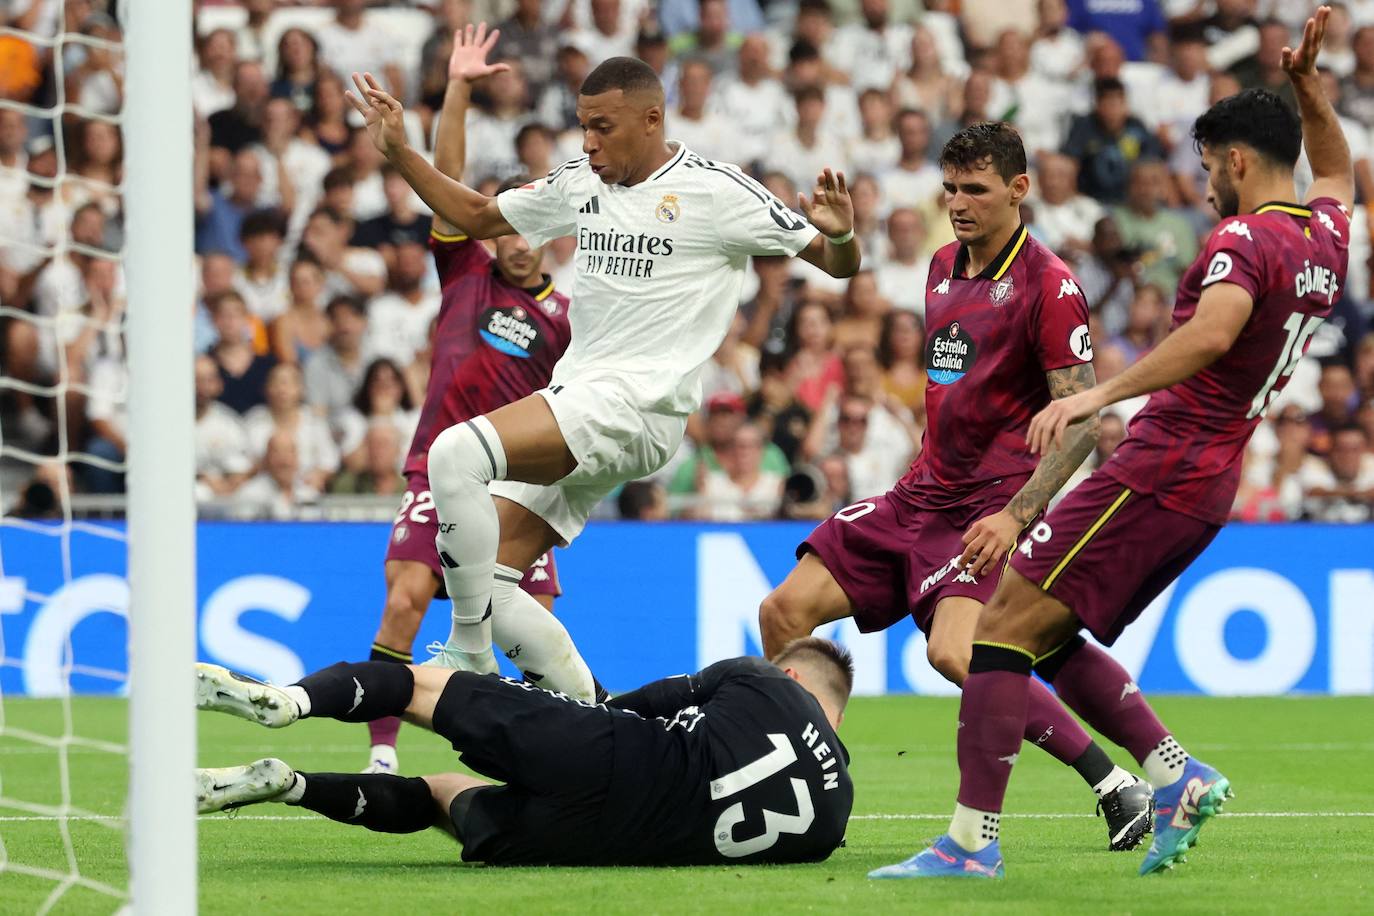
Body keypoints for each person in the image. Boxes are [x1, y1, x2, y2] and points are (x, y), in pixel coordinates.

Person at [873, 8, 1352, 881]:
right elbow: (1343, 167)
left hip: (1161, 466)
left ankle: (971, 843)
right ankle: (1175, 774)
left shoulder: (1242, 240)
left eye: (1210, 168)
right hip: (1207, 477)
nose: (1206, 185)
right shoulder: (1326, 237)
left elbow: (1211, 333)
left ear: (1237, 163)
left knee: (998, 631)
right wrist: (1312, 89)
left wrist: (1100, 393)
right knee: (1041, 627)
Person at [344, 41, 859, 700]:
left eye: (603, 127)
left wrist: (841, 235)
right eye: (583, 125)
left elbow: (836, 263)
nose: (587, 141)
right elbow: (473, 215)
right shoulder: (582, 183)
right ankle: (601, 728)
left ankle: (468, 651)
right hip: (583, 398)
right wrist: (399, 152)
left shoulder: (716, 191)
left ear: (652, 120)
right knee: (490, 580)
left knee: (453, 455)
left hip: (637, 404)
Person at [759, 121, 1154, 853]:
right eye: (950, 188)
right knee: (783, 613)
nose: (959, 202)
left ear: (1018, 189)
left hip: (987, 507)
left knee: (955, 652)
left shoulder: (1052, 285)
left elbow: (1079, 422)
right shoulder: (941, 264)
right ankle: (812, 781)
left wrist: (1015, 514)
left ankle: (1113, 783)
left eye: (975, 189)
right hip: (918, 494)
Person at [358, 25, 581, 777]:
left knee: (536, 631)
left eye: (529, 226)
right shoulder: (465, 272)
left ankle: (533, 763)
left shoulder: (566, 319)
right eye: (505, 222)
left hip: (516, 484)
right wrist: (457, 87)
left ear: (547, 236)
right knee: (405, 600)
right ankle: (383, 755)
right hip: (436, 468)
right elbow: (443, 176)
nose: (515, 237)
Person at [192, 637, 854, 867]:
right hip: (596, 843)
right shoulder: (833, 821)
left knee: (417, 684)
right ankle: (292, 786)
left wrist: (571, 713)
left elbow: (640, 704)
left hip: (607, 753)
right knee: (440, 798)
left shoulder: (762, 679)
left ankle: (290, 701)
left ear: (791, 677)